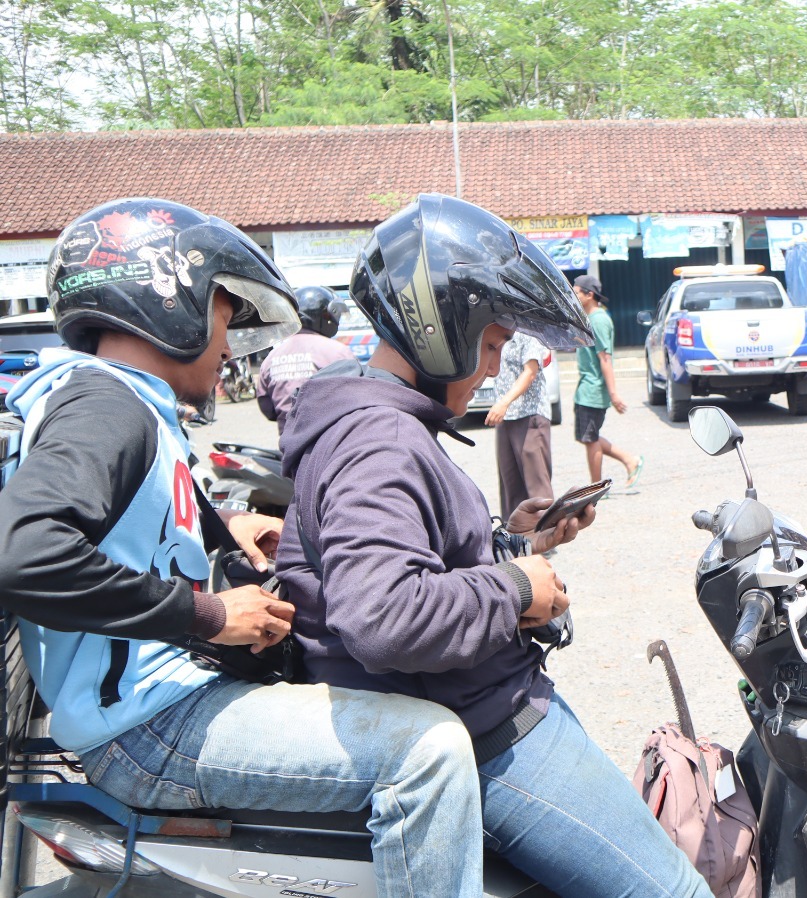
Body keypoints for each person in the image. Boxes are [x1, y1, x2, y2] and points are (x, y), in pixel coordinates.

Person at [0, 199, 484, 898]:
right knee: (428, 750)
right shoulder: (105, 407)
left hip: (142, 705)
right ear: (167, 302)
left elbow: (123, 528)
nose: (227, 348)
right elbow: (23, 554)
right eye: (224, 319)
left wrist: (222, 527)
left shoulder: (119, 400)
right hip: (148, 722)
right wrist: (207, 614)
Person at [276, 195, 712, 898]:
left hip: (482, 705)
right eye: (489, 346)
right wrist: (516, 590)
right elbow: (383, 614)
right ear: (436, 327)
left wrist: (522, 539)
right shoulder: (380, 441)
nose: (491, 369)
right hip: (484, 731)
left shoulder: (381, 423)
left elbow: (418, 555)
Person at [571, 273, 642, 487]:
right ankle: (628, 461)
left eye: (576, 292)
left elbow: (605, 359)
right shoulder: (590, 318)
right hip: (585, 389)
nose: (573, 296)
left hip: (593, 390)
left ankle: (597, 486)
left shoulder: (599, 320)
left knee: (590, 439)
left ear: (589, 295)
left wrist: (613, 394)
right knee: (586, 437)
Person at [255, 284, 357, 432]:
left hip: (288, 447)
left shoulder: (272, 357)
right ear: (324, 315)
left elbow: (267, 409)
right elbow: (355, 399)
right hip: (332, 444)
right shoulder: (338, 352)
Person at [487, 331, 554, 518]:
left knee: (536, 482)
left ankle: (546, 534)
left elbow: (530, 371)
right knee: (510, 483)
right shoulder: (500, 330)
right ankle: (515, 536)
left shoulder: (528, 332)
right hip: (505, 416)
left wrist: (504, 403)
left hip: (529, 414)